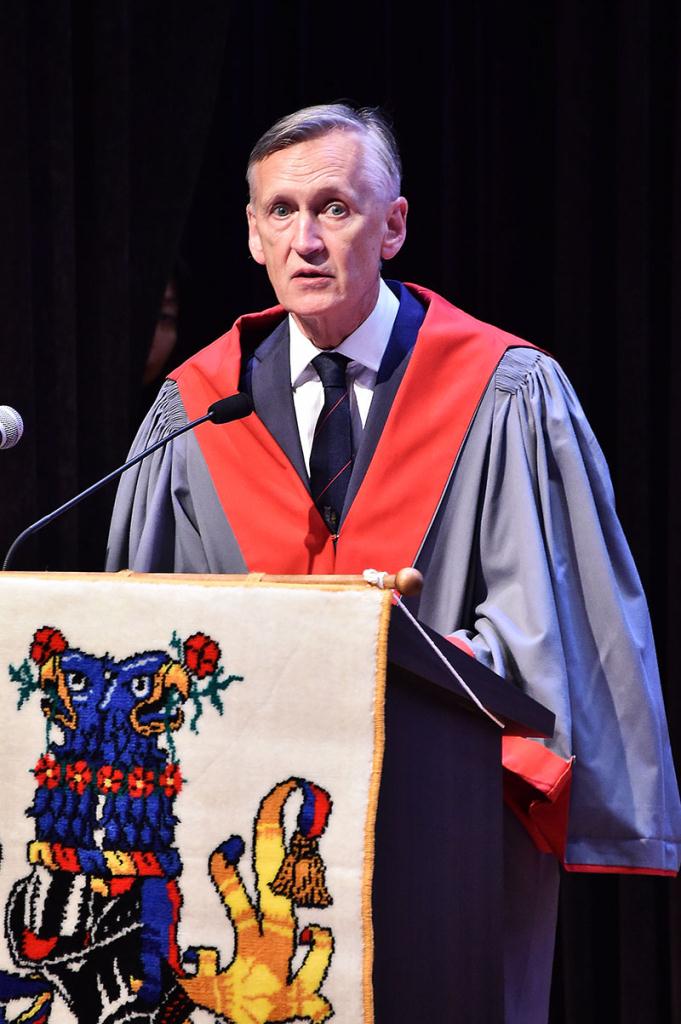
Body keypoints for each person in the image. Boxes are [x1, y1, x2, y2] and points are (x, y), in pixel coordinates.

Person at [106, 104, 681, 1023]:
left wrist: (433, 654)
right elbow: (148, 628)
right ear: (252, 235)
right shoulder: (197, 409)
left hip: (451, 816)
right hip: (247, 828)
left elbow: (550, 624)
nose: (306, 240)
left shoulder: (502, 389)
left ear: (393, 225)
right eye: (282, 212)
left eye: (334, 208)